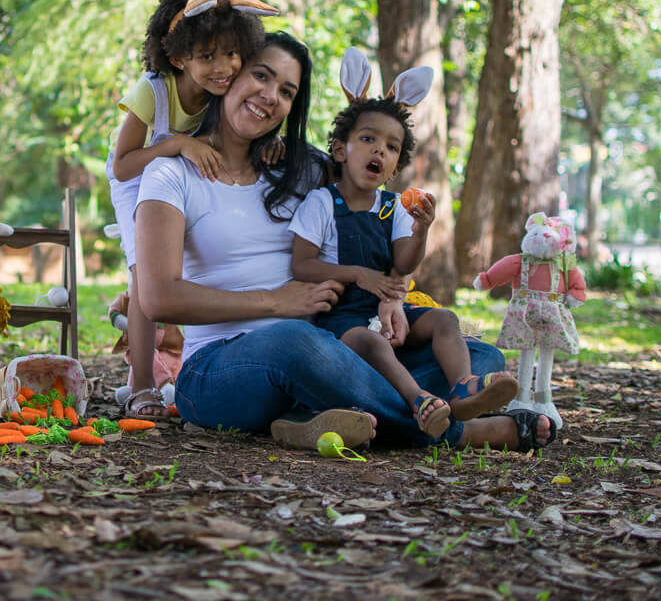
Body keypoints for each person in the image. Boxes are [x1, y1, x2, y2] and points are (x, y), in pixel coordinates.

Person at [135, 31, 555, 452]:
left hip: (330, 350)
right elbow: (159, 298)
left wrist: (391, 293)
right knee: (294, 341)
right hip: (220, 369)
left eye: (286, 91)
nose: (269, 96)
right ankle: (462, 431)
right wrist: (278, 303)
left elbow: (370, 207)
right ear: (228, 75)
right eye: (260, 76)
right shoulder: (171, 174)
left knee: (481, 357)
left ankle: (305, 421)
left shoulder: (304, 168)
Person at [289, 96, 518, 438]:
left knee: (445, 319)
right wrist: (358, 274)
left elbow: (403, 262)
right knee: (373, 343)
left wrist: (422, 229)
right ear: (340, 150)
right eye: (368, 139)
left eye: (391, 147)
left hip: (388, 314)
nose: (379, 151)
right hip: (343, 320)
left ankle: (463, 387)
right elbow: (301, 264)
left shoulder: (392, 206)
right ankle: (420, 400)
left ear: (395, 168)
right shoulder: (322, 202)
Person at [106, 0, 279, 418]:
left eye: (232, 54)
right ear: (179, 56)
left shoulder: (224, 90)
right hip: (136, 177)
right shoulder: (154, 91)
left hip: (184, 173)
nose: (224, 67)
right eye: (207, 57)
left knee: (183, 267)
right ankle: (141, 385)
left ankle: (175, 364)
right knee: (145, 275)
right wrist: (180, 143)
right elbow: (123, 165)